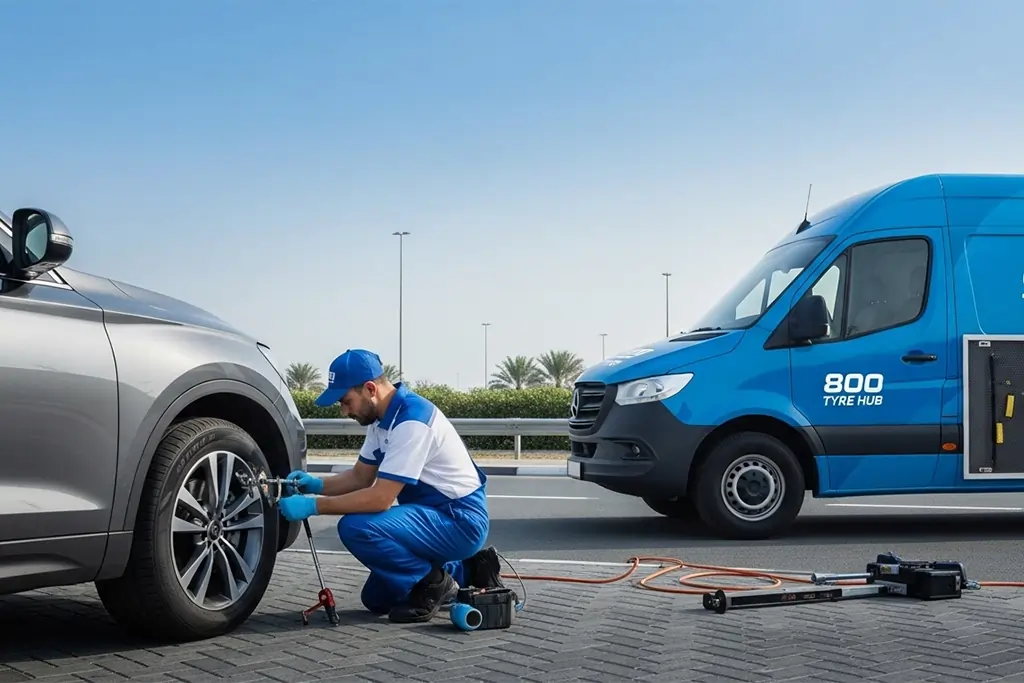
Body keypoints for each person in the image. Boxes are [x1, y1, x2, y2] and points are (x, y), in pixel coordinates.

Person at [278, 348, 505, 623]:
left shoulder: (412, 421)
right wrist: (313, 485)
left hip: (459, 519)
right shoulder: (381, 422)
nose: (344, 410)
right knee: (376, 600)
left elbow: (380, 499)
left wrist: (313, 506)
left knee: (356, 527)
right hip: (432, 516)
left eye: (346, 401)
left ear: (370, 388)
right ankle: (469, 570)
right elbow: (360, 478)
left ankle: (435, 582)